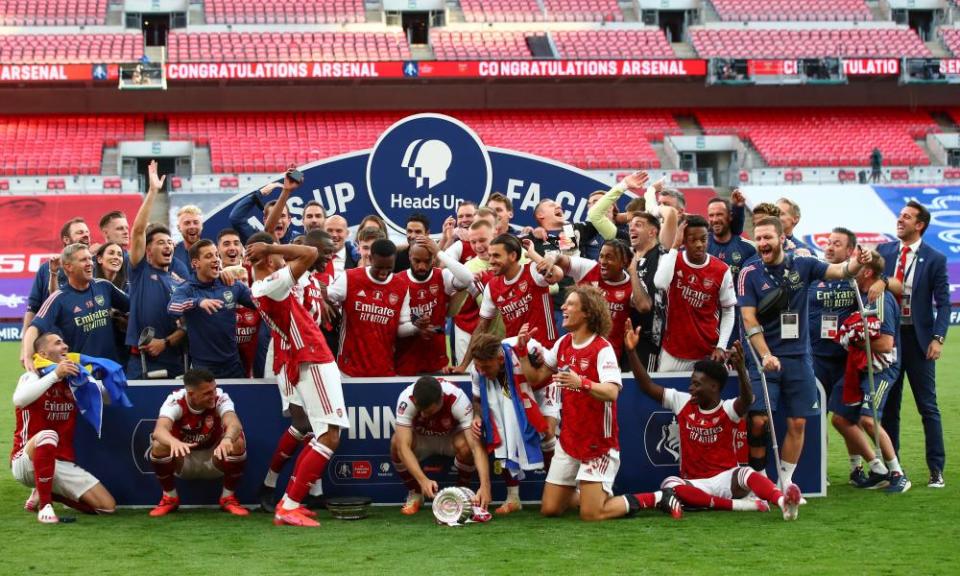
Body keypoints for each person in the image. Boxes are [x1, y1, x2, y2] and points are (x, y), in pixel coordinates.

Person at [515, 285, 681, 521]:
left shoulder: (602, 348)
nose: (563, 307)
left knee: (591, 515)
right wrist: (522, 351)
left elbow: (612, 392)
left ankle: (654, 497)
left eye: (570, 304)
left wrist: (580, 382)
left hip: (598, 444)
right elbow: (537, 378)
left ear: (587, 313)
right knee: (550, 509)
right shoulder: (563, 343)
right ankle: (591, 492)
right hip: (570, 441)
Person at [738, 216, 872, 488]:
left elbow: (840, 271)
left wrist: (859, 261)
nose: (762, 243)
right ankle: (760, 483)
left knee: (798, 422)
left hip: (798, 357)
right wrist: (766, 355)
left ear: (781, 239)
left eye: (768, 238)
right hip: (764, 358)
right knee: (759, 421)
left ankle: (786, 484)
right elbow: (749, 320)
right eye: (759, 238)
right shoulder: (748, 273)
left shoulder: (804, 264)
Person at [625, 333, 803, 520]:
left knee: (746, 473)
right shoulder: (682, 402)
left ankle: (784, 502)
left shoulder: (728, 409)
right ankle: (740, 506)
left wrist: (741, 369)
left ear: (714, 387)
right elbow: (647, 386)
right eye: (691, 383)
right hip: (695, 484)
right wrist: (631, 351)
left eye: (696, 384)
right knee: (669, 484)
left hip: (727, 480)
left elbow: (747, 400)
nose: (691, 388)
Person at [247, 233, 348, 527]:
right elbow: (308, 252)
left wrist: (270, 248)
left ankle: (288, 501)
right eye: (278, 256)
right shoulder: (273, 285)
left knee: (318, 433)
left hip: (303, 355)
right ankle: (289, 505)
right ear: (269, 259)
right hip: (310, 356)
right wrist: (272, 247)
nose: (285, 259)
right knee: (329, 435)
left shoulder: (267, 284)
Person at [877, 200, 947, 488]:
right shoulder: (885, 252)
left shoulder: (935, 258)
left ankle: (936, 469)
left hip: (918, 342)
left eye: (906, 217)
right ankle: (894, 469)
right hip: (889, 338)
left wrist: (938, 338)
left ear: (920, 225)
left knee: (927, 406)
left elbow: (943, 304)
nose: (900, 219)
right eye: (900, 214)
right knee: (889, 406)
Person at [12, 333, 117, 523]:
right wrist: (54, 375)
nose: (65, 346)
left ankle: (47, 493)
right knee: (48, 436)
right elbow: (19, 400)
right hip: (26, 459)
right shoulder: (32, 375)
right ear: (43, 352)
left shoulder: (74, 381)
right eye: (58, 343)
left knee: (106, 507)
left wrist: (94, 376)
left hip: (59, 462)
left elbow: (108, 398)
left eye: (65, 342)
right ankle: (45, 507)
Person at [832, 252, 911, 493]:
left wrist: (850, 340)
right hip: (862, 367)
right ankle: (877, 470)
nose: (852, 268)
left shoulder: (880, 298)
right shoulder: (866, 295)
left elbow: (886, 344)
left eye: (858, 265)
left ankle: (898, 473)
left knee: (868, 419)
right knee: (841, 418)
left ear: (867, 272)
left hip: (881, 369)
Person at [470, 333, 559, 514]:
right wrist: (477, 417)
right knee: (500, 432)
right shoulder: (477, 369)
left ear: (501, 359)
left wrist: (538, 357)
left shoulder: (526, 347)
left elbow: (552, 366)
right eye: (479, 367)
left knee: (548, 432)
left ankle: (560, 491)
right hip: (508, 391)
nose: (482, 372)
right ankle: (513, 497)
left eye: (486, 367)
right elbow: (477, 400)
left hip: (542, 388)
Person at [452, 234, 561, 373]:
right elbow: (481, 328)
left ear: (513, 256)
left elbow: (556, 275)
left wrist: (534, 254)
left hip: (545, 353)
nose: (491, 261)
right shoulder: (492, 287)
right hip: (516, 358)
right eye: (490, 256)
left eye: (496, 256)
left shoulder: (533, 271)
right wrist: (463, 365)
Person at [148, 368, 249, 517]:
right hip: (184, 457)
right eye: (207, 393)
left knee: (237, 441)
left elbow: (234, 423)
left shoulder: (220, 397)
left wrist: (227, 439)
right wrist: (173, 442)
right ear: (191, 394)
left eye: (214, 390)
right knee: (159, 445)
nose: (213, 396)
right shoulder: (176, 400)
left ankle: (228, 498)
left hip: (214, 456)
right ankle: (170, 497)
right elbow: (159, 430)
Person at [391, 376, 491, 515]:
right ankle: (415, 494)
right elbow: (403, 446)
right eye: (421, 410)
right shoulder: (406, 398)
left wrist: (485, 486)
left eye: (430, 411)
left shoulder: (457, 398)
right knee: (396, 442)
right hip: (422, 439)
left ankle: (461, 494)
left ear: (441, 399)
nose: (424, 416)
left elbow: (476, 447)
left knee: (468, 444)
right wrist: (423, 480)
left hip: (449, 438)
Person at [125, 161, 187, 379]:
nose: (167, 246)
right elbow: (138, 230)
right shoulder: (139, 271)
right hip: (140, 363)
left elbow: (186, 326)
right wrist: (152, 191)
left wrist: (166, 342)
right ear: (148, 250)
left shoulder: (180, 282)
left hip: (174, 361)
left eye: (170, 242)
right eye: (161, 242)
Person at [22, 243, 130, 367]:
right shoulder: (59, 298)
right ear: (68, 267)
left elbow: (132, 306)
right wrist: (28, 358)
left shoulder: (104, 286)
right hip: (81, 375)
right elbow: (33, 329)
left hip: (110, 370)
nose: (90, 263)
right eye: (84, 260)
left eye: (90, 258)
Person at [654, 215, 736, 371]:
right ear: (684, 240)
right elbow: (659, 283)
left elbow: (729, 311)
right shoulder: (671, 259)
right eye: (692, 240)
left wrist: (721, 346)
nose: (699, 244)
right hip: (673, 351)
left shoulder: (721, 269)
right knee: (665, 394)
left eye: (703, 239)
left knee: (707, 395)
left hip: (708, 351)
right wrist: (675, 246)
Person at [326, 239, 418, 377]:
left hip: (384, 371)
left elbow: (401, 328)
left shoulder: (401, 287)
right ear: (370, 258)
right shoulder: (350, 278)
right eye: (379, 267)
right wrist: (325, 303)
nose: (383, 273)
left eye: (389, 268)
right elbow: (325, 295)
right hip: (348, 370)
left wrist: (417, 327)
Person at [167, 239, 255, 378]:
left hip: (233, 366)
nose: (216, 260)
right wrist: (198, 302)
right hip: (203, 368)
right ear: (195, 263)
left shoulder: (231, 284)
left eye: (216, 255)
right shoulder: (186, 289)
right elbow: (172, 307)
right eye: (209, 256)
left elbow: (260, 303)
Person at [395, 238, 475, 375]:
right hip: (406, 363)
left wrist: (439, 252)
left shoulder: (442, 276)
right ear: (409, 257)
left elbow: (468, 279)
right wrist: (416, 329)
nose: (422, 267)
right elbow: (395, 327)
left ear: (433, 259)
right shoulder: (398, 280)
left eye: (427, 261)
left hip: (437, 362)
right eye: (417, 261)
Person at [548, 240, 636, 362]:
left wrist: (633, 271)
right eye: (601, 256)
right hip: (577, 351)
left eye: (609, 257)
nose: (603, 262)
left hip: (609, 355)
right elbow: (560, 258)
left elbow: (644, 306)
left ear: (623, 262)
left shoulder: (632, 285)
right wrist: (551, 258)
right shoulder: (590, 268)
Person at [23, 217, 91, 365]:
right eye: (80, 232)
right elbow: (33, 309)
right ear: (66, 239)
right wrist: (25, 348)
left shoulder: (91, 268)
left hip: (85, 346)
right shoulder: (45, 270)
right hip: (54, 350)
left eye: (87, 232)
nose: (86, 235)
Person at [808, 228, 859, 408]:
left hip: (846, 359)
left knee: (845, 419)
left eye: (836, 244)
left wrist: (881, 282)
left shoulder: (857, 277)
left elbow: (891, 284)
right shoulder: (813, 273)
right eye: (828, 243)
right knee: (815, 418)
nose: (829, 248)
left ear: (849, 250)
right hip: (816, 357)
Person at [627, 206, 679, 371]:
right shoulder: (628, 256)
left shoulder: (660, 252)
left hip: (649, 338)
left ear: (652, 232)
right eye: (630, 226)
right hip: (626, 335)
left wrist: (652, 210)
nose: (632, 228)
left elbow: (670, 213)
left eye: (639, 224)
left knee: (642, 387)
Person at [707, 195, 755, 344]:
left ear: (730, 216)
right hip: (706, 321)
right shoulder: (701, 245)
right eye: (711, 215)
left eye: (719, 214)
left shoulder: (748, 248)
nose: (714, 219)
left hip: (736, 322)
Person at [172, 205, 202, 278]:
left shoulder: (213, 252)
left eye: (196, 222)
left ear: (201, 226)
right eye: (187, 223)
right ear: (179, 228)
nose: (192, 226)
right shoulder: (172, 253)